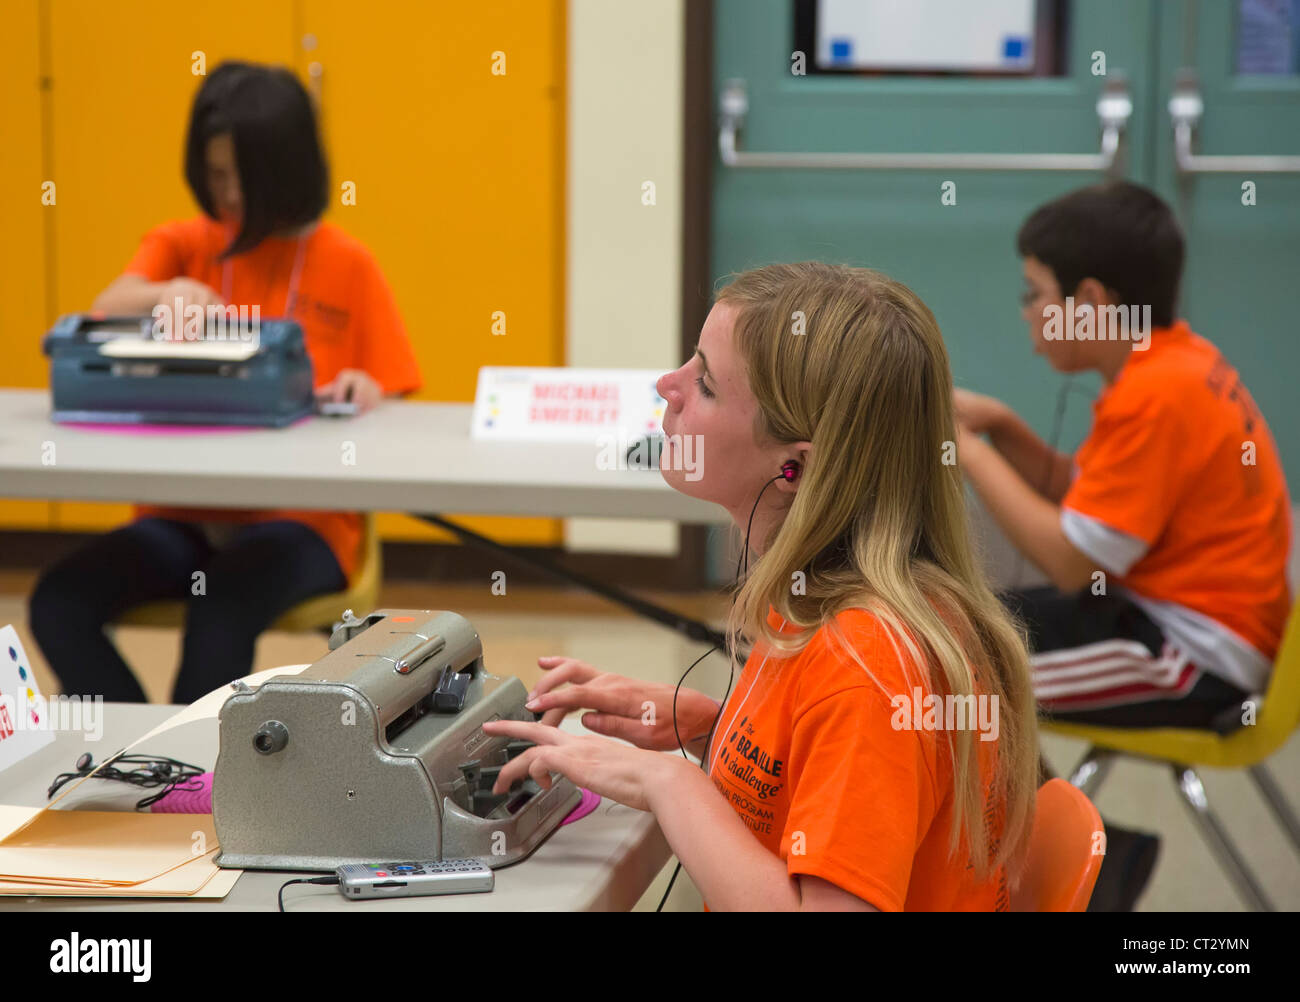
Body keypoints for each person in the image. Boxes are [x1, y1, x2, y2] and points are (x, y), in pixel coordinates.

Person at [481, 262, 1040, 911]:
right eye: (691, 360)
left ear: (793, 468)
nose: (668, 385)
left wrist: (672, 787)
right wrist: (710, 730)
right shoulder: (826, 603)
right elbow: (824, 777)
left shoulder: (867, 664)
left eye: (707, 385)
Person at [29, 61, 420, 705]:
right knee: (58, 600)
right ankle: (137, 750)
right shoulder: (186, 243)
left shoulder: (347, 264)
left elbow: (392, 398)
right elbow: (107, 305)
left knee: (222, 605)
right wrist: (165, 293)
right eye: (213, 175)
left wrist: (365, 391)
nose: (228, 193)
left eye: (241, 176)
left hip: (301, 523)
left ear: (286, 171)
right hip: (181, 516)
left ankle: (196, 773)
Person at [954, 180, 1291, 909]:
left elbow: (1075, 560)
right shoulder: (1172, 362)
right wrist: (1005, 430)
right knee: (961, 633)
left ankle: (1082, 863)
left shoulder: (1155, 396)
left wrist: (966, 452)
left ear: (1094, 303)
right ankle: (1097, 852)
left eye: (1035, 294)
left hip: (1191, 661)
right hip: (1177, 623)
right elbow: (1095, 504)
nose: (1027, 314)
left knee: (960, 677)